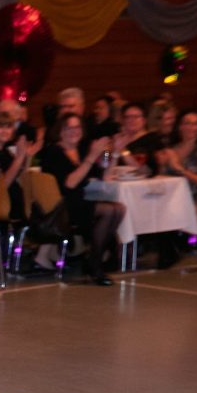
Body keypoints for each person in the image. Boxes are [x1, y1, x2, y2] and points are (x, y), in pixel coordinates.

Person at [39, 113, 125, 285]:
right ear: (60, 131)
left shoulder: (80, 151)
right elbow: (70, 184)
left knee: (118, 209)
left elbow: (105, 175)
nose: (74, 131)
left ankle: (95, 260)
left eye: (77, 127)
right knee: (110, 211)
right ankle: (95, 264)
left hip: (77, 202)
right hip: (61, 207)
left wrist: (114, 153)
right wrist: (91, 157)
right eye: (68, 128)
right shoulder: (54, 152)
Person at [159, 108, 197, 237]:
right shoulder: (173, 149)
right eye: (187, 123)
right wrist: (162, 164)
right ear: (180, 126)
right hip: (171, 199)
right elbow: (163, 178)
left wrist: (180, 169)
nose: (191, 127)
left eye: (195, 124)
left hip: (195, 199)